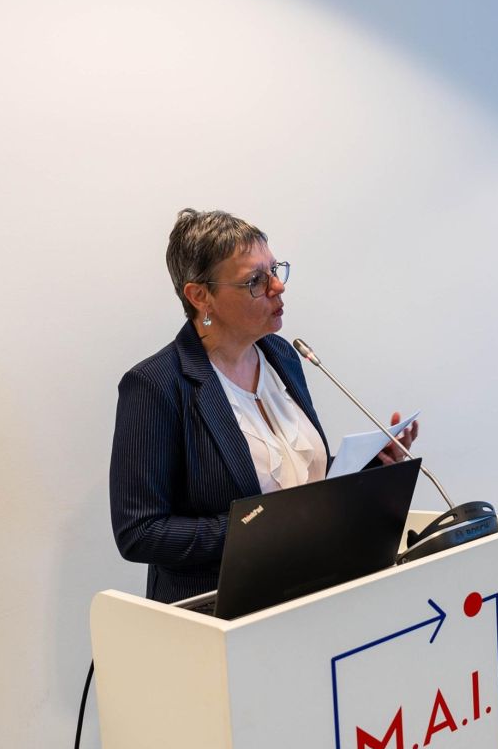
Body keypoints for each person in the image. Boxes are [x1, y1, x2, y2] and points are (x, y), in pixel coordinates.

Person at [109, 209, 418, 603]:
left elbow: (293, 481)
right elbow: (139, 532)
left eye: (275, 270)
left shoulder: (282, 355)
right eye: (255, 280)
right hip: (218, 612)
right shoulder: (156, 385)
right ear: (200, 296)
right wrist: (258, 528)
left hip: (313, 589)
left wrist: (371, 464)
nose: (278, 286)